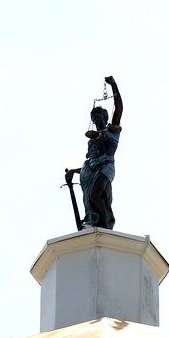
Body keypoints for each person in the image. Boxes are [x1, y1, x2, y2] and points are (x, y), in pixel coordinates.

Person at [66, 76, 123, 230]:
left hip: (106, 167)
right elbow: (91, 162)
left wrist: (114, 86)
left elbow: (118, 108)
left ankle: (105, 226)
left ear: (105, 117)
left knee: (95, 195)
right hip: (90, 170)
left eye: (98, 116)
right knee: (91, 198)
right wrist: (74, 171)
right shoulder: (92, 139)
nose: (96, 119)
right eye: (93, 117)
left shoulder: (112, 131)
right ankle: (95, 222)